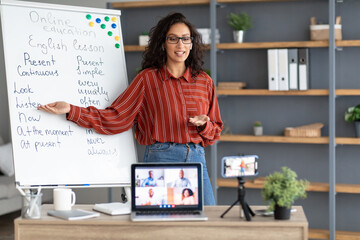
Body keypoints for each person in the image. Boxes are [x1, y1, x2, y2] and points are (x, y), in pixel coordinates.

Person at [37, 12, 223, 205]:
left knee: (208, 222)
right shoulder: (147, 79)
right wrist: (71, 110)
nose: (180, 45)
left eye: (185, 39)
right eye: (173, 39)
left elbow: (215, 131)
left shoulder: (204, 82)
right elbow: (117, 117)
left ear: (192, 43)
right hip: (161, 159)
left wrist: (204, 126)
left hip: (197, 160)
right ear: (163, 43)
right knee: (160, 227)